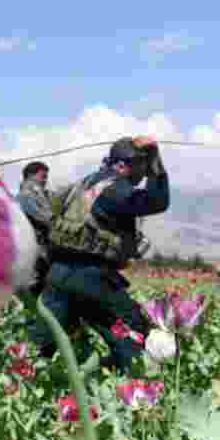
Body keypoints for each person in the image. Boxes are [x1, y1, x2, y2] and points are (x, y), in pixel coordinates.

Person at [29, 136, 167, 372]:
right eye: (141, 166)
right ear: (122, 166)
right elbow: (157, 202)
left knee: (42, 345)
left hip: (59, 275)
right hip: (91, 279)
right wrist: (158, 168)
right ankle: (135, 385)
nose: (144, 173)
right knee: (133, 336)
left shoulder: (85, 184)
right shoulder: (115, 189)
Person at [15, 162, 53, 301]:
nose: (45, 180)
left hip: (39, 245)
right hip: (34, 245)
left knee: (41, 278)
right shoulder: (27, 193)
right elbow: (40, 216)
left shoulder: (37, 193)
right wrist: (56, 225)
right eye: (43, 176)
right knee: (35, 281)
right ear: (31, 176)